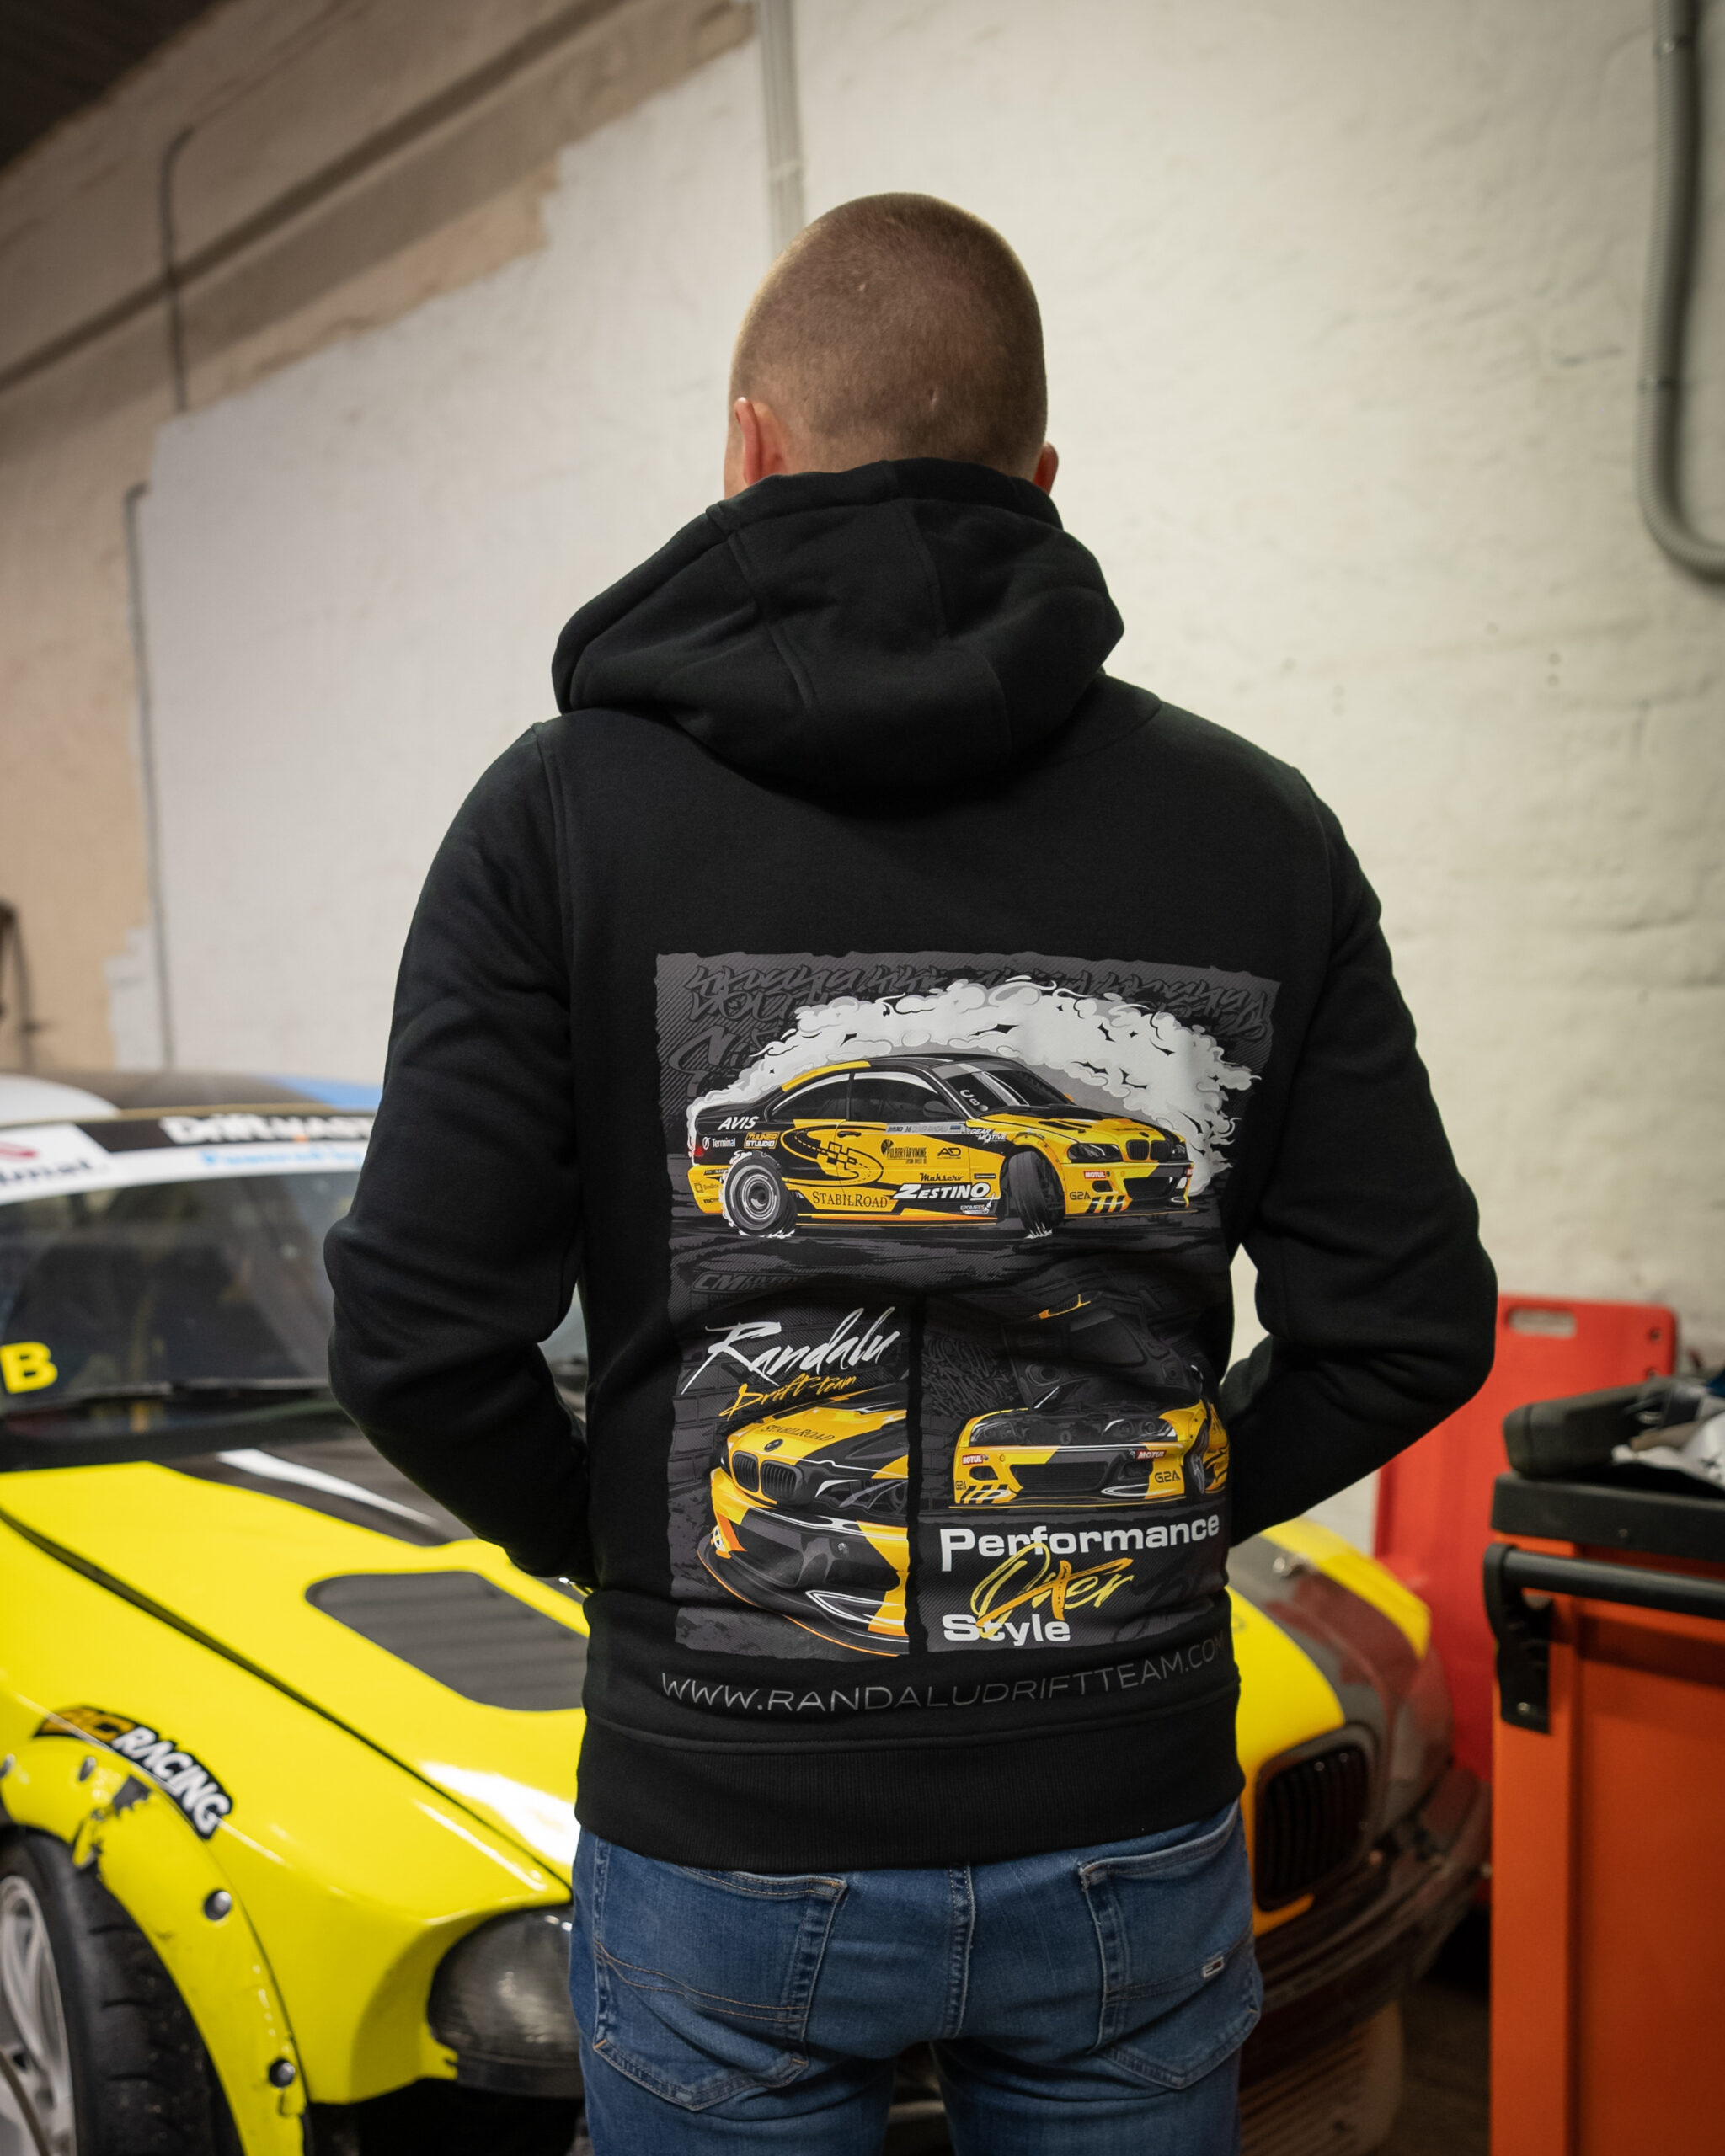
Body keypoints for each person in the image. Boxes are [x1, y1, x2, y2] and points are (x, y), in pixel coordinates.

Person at [326, 193, 1495, 2154]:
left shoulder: (558, 816)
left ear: (746, 444)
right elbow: (1411, 1324)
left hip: (729, 1814)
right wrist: (1159, 1500)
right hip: (1123, 1803)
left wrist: (642, 1543)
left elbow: (416, 1341)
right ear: (1039, 482)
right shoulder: (1257, 831)